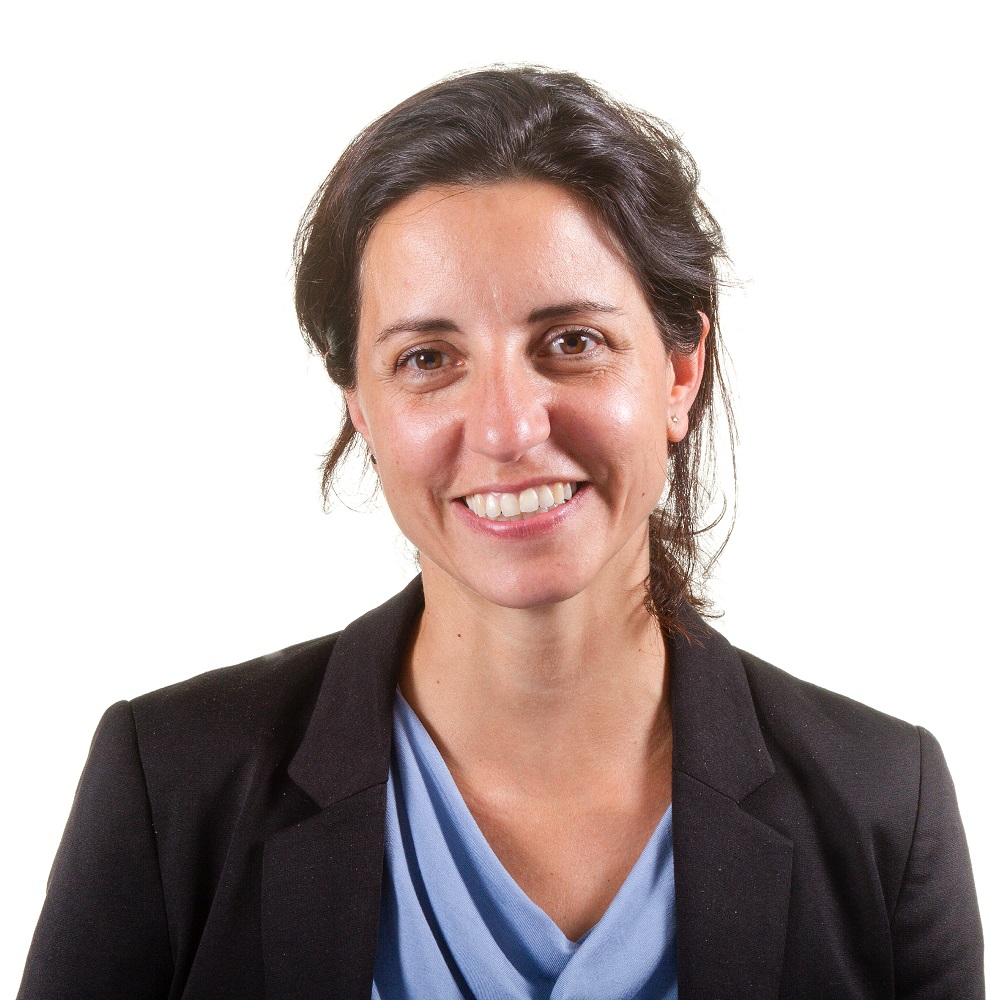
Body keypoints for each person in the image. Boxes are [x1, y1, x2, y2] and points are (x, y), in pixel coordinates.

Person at [18, 67, 983, 1000]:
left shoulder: (882, 808)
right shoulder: (171, 785)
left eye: (572, 342)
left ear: (681, 371)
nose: (509, 429)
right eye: (428, 358)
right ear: (360, 402)